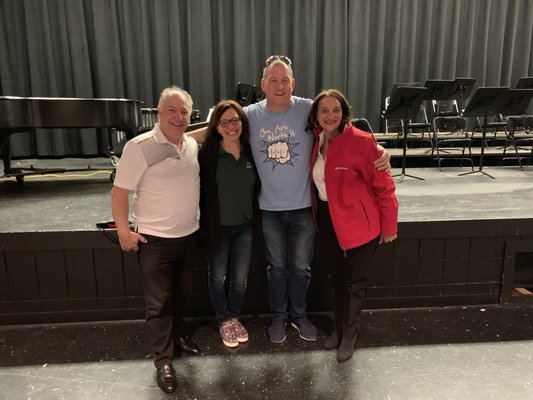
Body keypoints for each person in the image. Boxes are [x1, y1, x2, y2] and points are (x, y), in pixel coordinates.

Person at [188, 55, 391, 344]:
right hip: (268, 209)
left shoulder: (309, 109)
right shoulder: (251, 115)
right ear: (263, 84)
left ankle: (299, 316)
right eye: (274, 80)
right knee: (277, 268)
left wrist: (378, 148)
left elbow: (343, 128)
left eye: (285, 80)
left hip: (304, 208)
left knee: (300, 268)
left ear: (293, 83)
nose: (280, 85)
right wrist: (176, 139)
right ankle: (279, 317)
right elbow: (218, 127)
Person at [111, 86, 201, 394]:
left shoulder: (190, 143)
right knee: (159, 303)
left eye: (184, 111)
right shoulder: (140, 146)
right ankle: (163, 360)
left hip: (188, 236)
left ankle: (178, 337)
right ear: (159, 113)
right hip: (154, 241)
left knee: (182, 294)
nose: (178, 116)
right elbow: (119, 191)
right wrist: (124, 231)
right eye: (172, 110)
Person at [307, 89, 398, 362]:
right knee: (336, 281)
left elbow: (385, 187)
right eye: (324, 110)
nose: (330, 115)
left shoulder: (362, 141)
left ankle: (349, 335)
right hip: (327, 221)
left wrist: (389, 226)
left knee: (354, 284)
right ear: (316, 115)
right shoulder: (315, 139)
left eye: (336, 110)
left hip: (360, 224)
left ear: (344, 113)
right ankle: (338, 328)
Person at [198, 100, 261, 348]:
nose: (231, 126)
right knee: (218, 277)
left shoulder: (251, 151)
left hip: (245, 226)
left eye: (235, 120)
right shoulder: (208, 154)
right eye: (224, 122)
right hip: (218, 228)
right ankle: (224, 320)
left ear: (242, 123)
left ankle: (234, 316)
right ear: (217, 126)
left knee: (240, 279)